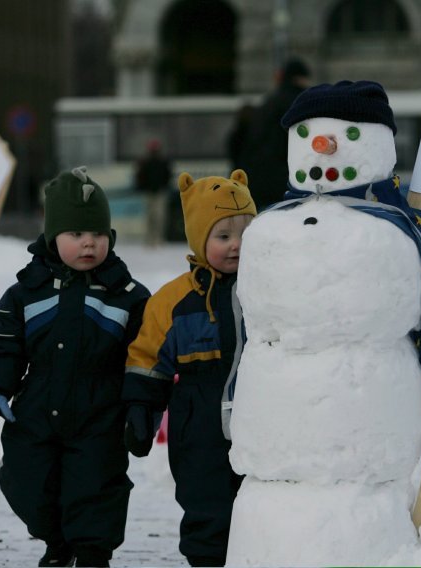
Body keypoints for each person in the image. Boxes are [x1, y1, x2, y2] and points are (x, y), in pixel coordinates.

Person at [0, 166, 150, 568]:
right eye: (77, 235)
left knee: (96, 487)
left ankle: (91, 552)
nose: (89, 243)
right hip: (36, 409)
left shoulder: (127, 296)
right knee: (27, 480)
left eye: (98, 235)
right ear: (52, 238)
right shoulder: (24, 293)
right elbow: (1, 345)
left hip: (101, 412)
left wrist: (141, 405)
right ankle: (56, 540)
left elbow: (144, 354)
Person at [121, 169, 257, 567]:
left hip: (262, 416)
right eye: (223, 236)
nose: (236, 247)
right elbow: (147, 357)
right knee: (207, 504)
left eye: (246, 236)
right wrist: (141, 410)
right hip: (198, 423)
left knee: (261, 506)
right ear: (199, 238)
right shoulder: (174, 301)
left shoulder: (270, 284)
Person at [233, 57, 310, 209]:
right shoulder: (302, 104)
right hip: (286, 186)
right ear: (301, 79)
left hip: (257, 184)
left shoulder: (266, 104)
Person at [134, 138, 172, 246]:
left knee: (159, 217)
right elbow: (140, 177)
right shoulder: (144, 162)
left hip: (159, 193)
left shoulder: (163, 161)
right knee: (150, 217)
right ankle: (150, 239)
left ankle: (158, 238)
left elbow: (167, 176)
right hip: (149, 193)